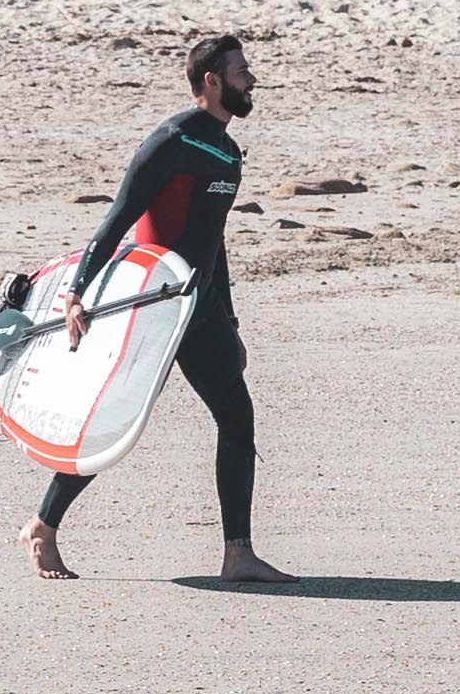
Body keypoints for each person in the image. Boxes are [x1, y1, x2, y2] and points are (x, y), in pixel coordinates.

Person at [25, 32, 287, 584]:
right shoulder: (171, 140)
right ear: (212, 82)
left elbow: (213, 240)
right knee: (113, 418)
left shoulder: (227, 148)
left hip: (200, 305)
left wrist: (230, 321)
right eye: (241, 71)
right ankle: (43, 526)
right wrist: (76, 292)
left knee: (237, 417)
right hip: (153, 307)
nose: (252, 79)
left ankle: (237, 553)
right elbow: (117, 218)